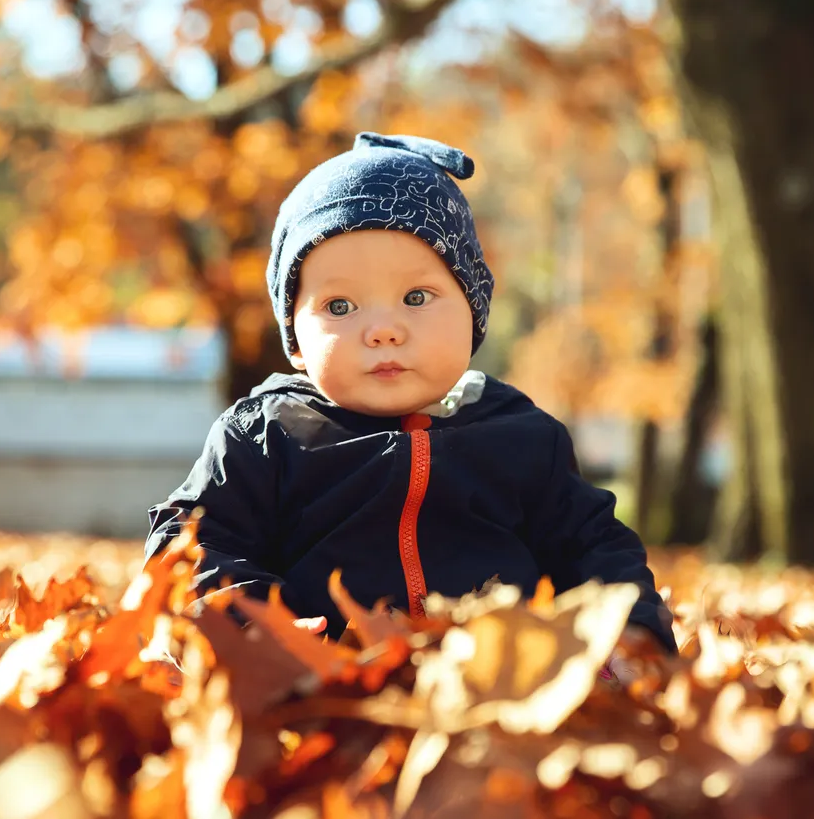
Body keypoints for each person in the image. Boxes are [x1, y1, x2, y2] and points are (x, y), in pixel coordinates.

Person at [144, 132, 677, 664]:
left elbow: (596, 551)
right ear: (295, 339)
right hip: (325, 683)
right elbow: (194, 546)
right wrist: (255, 626)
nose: (383, 330)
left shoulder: (521, 436)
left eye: (416, 298)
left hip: (495, 687)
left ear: (474, 310)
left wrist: (628, 641)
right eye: (340, 306)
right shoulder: (266, 436)